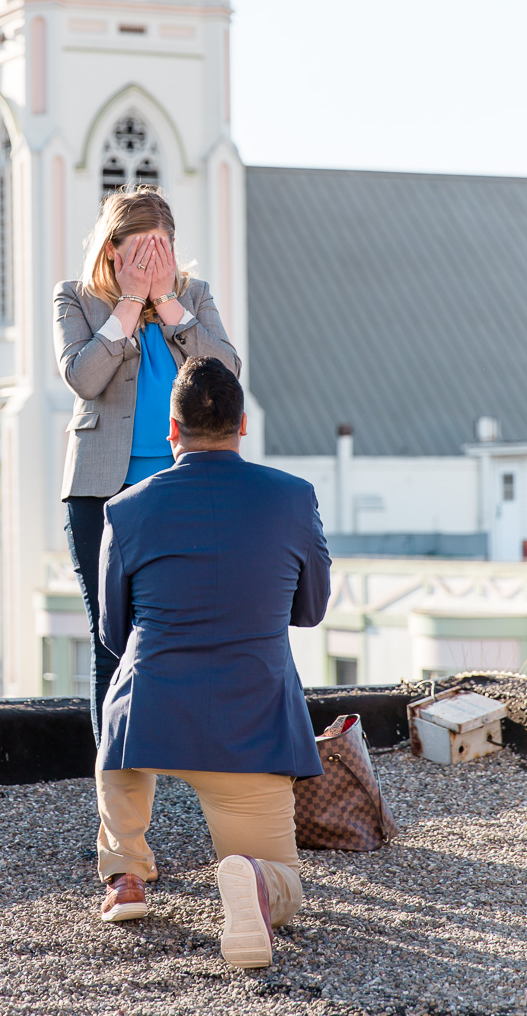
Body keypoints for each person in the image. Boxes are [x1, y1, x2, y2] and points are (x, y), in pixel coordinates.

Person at [94, 356, 331, 969]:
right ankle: (251, 884)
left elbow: (113, 632)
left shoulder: (124, 510)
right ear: (243, 425)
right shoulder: (294, 498)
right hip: (250, 726)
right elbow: (310, 610)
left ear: (169, 431)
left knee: (124, 703)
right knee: (282, 878)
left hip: (150, 717)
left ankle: (127, 875)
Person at [53, 187, 241, 744]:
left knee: (183, 630)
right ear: (113, 250)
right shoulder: (75, 299)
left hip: (183, 487)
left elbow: (225, 372)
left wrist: (170, 307)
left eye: (164, 249)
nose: (156, 262)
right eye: (141, 251)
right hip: (100, 494)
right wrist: (130, 305)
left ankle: (184, 756)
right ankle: (116, 773)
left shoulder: (194, 296)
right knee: (111, 635)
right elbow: (84, 379)